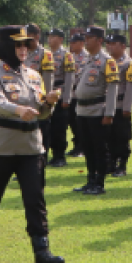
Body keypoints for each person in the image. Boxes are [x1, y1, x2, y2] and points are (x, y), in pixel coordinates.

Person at [0, 25, 64, 263]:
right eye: (18, 45)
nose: (23, 49)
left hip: (31, 147)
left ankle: (42, 251)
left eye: (25, 45)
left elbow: (41, 112)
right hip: (1, 147)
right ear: (7, 47)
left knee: (35, 199)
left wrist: (48, 103)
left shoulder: (33, 75)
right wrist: (20, 109)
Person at [72, 26, 119, 195]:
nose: (86, 40)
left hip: (97, 110)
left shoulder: (108, 61)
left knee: (99, 148)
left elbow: (112, 88)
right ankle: (90, 179)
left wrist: (109, 113)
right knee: (87, 147)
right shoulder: (86, 59)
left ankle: (99, 183)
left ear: (99, 40)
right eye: (86, 37)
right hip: (82, 110)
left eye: (90, 37)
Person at [105, 34, 132, 177]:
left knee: (122, 137)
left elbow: (130, 88)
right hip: (108, 106)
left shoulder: (129, 64)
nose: (110, 46)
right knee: (109, 137)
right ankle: (111, 163)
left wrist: (127, 108)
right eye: (109, 44)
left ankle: (122, 165)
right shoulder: (107, 62)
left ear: (123, 46)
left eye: (114, 44)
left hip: (120, 106)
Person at [23, 23, 54, 157]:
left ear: (36, 36)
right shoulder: (22, 54)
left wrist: (47, 104)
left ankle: (40, 165)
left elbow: (47, 82)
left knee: (41, 137)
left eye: (27, 35)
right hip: (24, 102)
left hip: (39, 103)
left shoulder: (45, 54)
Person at [47, 28, 75, 167]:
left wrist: (66, 98)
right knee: (47, 127)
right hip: (46, 95)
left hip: (59, 93)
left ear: (60, 39)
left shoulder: (66, 55)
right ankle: (50, 154)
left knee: (59, 127)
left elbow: (69, 78)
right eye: (49, 36)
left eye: (53, 37)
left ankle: (60, 156)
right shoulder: (46, 54)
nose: (49, 39)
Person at [67, 33, 88, 157]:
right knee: (72, 122)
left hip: (80, 95)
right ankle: (76, 146)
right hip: (71, 94)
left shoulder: (87, 57)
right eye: (71, 42)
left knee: (80, 123)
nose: (71, 45)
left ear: (81, 43)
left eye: (74, 42)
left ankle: (82, 147)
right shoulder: (70, 57)